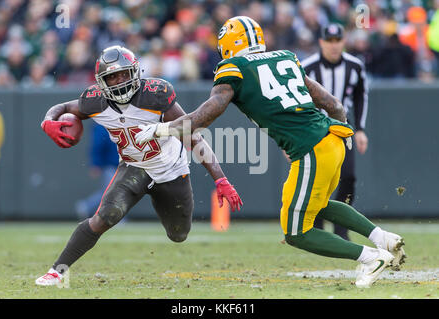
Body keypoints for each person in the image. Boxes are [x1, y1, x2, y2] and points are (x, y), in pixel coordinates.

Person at [135, 16, 406, 288]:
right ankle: (381, 238)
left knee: (296, 232)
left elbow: (203, 118)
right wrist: (344, 133)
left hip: (310, 148)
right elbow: (332, 103)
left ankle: (370, 257)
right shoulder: (285, 58)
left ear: (230, 43)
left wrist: (161, 129)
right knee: (317, 205)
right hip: (332, 139)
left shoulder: (234, 67)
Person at [36, 45, 243, 286]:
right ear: (101, 82)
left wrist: (220, 178)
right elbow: (63, 107)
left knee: (178, 234)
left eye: (124, 74)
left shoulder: (155, 95)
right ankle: (56, 271)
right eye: (112, 77)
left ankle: (160, 199)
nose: (119, 81)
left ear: (136, 72)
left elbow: (193, 135)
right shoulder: (95, 101)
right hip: (134, 168)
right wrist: (47, 121)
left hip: (172, 172)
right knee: (105, 216)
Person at [301, 23, 368, 241]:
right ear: (321, 42)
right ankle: (316, 224)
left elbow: (360, 97)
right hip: (316, 131)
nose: (333, 46)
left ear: (343, 42)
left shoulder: (355, 66)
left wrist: (361, 129)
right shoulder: (308, 67)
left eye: (336, 41)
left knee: (348, 176)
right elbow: (299, 101)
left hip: (343, 130)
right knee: (318, 180)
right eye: (328, 41)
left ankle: (341, 226)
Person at [74, 122, 118, 220]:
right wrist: (95, 164)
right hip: (110, 164)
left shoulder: (118, 121)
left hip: (121, 163)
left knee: (112, 192)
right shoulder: (102, 124)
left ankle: (86, 205)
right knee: (113, 193)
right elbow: (97, 146)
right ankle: (116, 218)